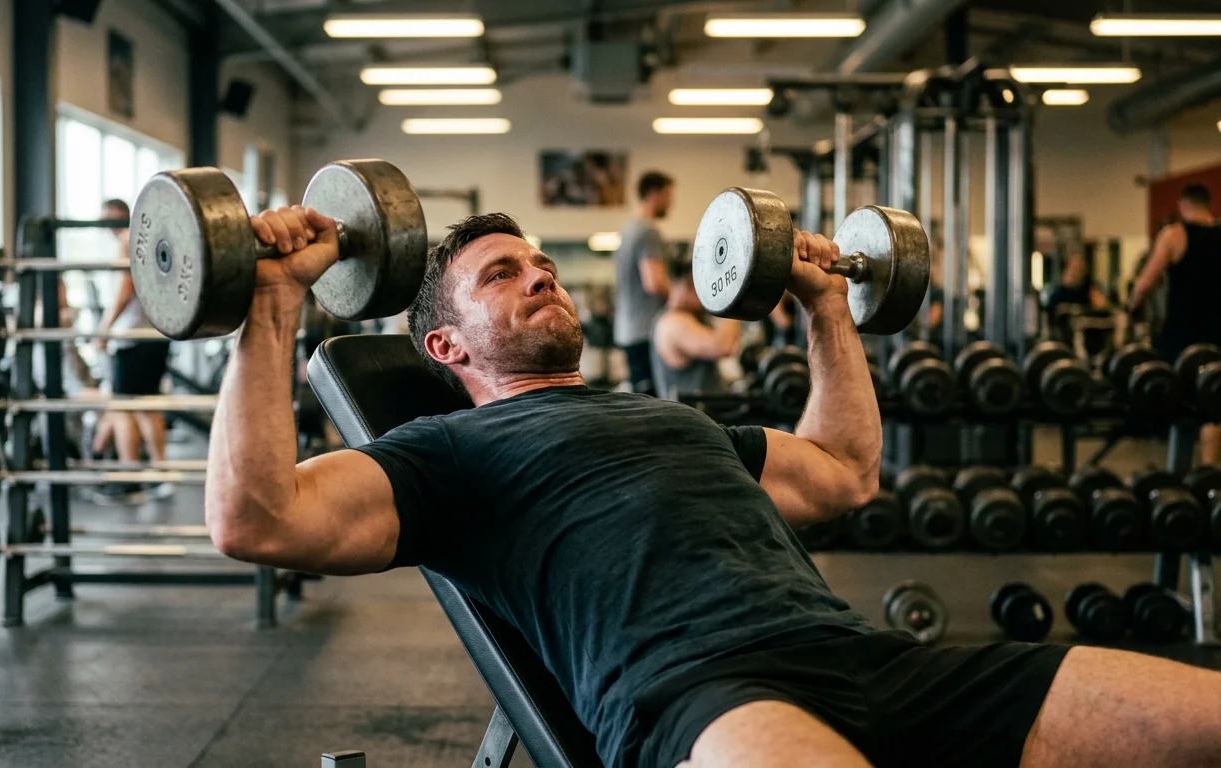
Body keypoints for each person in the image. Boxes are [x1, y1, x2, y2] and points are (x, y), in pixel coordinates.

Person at [206, 206, 1221, 768]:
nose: (543, 276)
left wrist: (825, 306)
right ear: (443, 344)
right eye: (503, 274)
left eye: (544, 263)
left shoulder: (669, 415)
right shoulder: (445, 455)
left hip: (868, 659)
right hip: (703, 697)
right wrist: (271, 301)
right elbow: (256, 520)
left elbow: (842, 474)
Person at [1130, 183, 1221, 463]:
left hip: (1182, 334)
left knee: (1180, 404)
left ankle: (1181, 472)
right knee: (1215, 402)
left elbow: (1145, 283)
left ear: (1183, 205)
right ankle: (1209, 476)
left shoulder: (1174, 234)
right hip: (1217, 331)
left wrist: (1132, 307)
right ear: (1208, 205)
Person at [91, 198, 172, 503]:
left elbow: (125, 288)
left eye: (112, 218)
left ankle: (131, 480)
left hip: (134, 337)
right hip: (151, 335)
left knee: (124, 407)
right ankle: (160, 474)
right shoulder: (144, 241)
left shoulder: (126, 242)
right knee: (144, 407)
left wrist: (104, 329)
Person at [612, 171, 674, 394]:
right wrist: (682, 301)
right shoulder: (648, 231)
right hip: (646, 331)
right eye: (668, 195)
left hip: (629, 330)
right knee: (652, 399)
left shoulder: (629, 230)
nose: (672, 203)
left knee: (642, 397)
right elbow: (655, 282)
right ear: (653, 194)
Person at [650, 256, 740, 400]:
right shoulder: (674, 322)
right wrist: (734, 298)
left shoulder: (689, 316)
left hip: (705, 413)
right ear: (686, 286)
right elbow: (722, 346)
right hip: (689, 418)